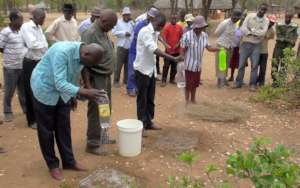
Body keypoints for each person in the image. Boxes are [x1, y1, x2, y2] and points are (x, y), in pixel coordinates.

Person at [31, 42, 106, 181]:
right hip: (45, 89)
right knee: (46, 131)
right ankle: (53, 165)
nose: (90, 66)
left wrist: (75, 93)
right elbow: (59, 82)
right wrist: (83, 91)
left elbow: (81, 68)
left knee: (64, 127)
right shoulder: (62, 53)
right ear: (85, 54)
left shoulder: (84, 54)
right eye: (91, 63)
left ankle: (69, 162)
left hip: (63, 92)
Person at [134, 12, 180, 134]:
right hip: (142, 70)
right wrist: (172, 58)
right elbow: (153, 49)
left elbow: (158, 37)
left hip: (150, 70)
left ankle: (149, 122)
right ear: (157, 24)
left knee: (150, 98)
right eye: (160, 27)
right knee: (142, 99)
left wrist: (165, 44)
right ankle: (141, 125)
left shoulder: (155, 30)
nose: (160, 30)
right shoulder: (145, 32)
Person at [81, 9, 118, 156]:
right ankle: (92, 143)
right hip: (95, 78)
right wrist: (88, 87)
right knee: (97, 109)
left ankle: (103, 136)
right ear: (103, 21)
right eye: (111, 25)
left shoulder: (103, 30)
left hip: (104, 77)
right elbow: (83, 61)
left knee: (105, 108)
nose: (112, 29)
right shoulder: (90, 33)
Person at [181, 16, 219, 104]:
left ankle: (193, 100)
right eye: (198, 27)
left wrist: (219, 49)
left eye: (202, 27)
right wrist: (181, 61)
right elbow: (183, 49)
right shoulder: (187, 36)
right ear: (194, 26)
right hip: (188, 65)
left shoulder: (204, 36)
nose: (200, 29)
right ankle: (187, 101)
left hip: (198, 65)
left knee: (195, 84)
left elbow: (209, 47)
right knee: (188, 85)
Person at [20, 8, 48, 129]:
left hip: (39, 62)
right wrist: (44, 45)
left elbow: (43, 44)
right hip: (29, 63)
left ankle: (40, 117)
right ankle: (31, 120)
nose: (43, 21)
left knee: (40, 88)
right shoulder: (26, 27)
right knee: (30, 90)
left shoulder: (38, 27)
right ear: (35, 17)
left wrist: (44, 47)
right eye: (42, 18)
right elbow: (32, 44)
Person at [234, 3, 269, 91]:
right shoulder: (249, 16)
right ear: (258, 8)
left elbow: (263, 33)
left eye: (264, 10)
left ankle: (252, 84)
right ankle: (238, 82)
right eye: (261, 9)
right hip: (245, 43)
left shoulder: (266, 20)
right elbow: (243, 28)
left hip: (257, 45)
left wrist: (251, 31)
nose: (262, 11)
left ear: (266, 11)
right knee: (241, 64)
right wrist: (254, 33)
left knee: (254, 66)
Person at [0, 9, 26, 123]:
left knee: (23, 90)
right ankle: (7, 111)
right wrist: (10, 55)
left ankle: (26, 109)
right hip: (10, 67)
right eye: (20, 19)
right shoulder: (5, 32)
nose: (22, 20)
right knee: (9, 91)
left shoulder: (22, 31)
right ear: (13, 19)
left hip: (22, 66)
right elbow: (0, 47)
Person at [127, 8, 159, 97]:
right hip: (135, 50)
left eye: (152, 17)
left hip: (144, 52)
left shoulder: (153, 26)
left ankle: (137, 88)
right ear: (148, 15)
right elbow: (138, 38)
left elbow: (156, 36)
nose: (150, 17)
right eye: (149, 16)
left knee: (140, 71)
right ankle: (130, 88)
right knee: (132, 70)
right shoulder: (140, 24)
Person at [214, 9, 242, 88]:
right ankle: (220, 82)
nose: (235, 19)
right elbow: (216, 33)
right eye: (234, 17)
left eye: (237, 18)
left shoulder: (236, 25)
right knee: (221, 64)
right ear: (231, 16)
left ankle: (223, 80)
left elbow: (237, 36)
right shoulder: (225, 23)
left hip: (230, 47)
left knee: (226, 64)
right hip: (222, 46)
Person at [272, 11, 298, 87]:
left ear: (292, 18)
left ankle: (281, 80)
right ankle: (275, 80)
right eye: (286, 17)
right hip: (279, 46)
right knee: (275, 62)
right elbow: (279, 37)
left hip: (288, 47)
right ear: (284, 16)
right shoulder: (279, 24)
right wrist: (289, 40)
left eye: (289, 17)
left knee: (284, 64)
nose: (288, 19)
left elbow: (294, 39)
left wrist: (288, 40)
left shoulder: (295, 26)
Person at [112, 7, 134, 88]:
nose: (128, 16)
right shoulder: (118, 22)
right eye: (126, 15)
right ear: (123, 15)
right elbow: (114, 32)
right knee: (118, 65)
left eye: (129, 15)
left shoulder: (131, 23)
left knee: (128, 65)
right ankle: (116, 81)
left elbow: (134, 32)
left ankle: (126, 80)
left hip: (129, 47)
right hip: (121, 47)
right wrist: (124, 33)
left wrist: (133, 22)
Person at [161, 13, 183, 87]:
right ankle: (163, 80)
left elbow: (182, 37)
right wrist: (166, 45)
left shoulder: (179, 27)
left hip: (177, 51)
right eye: (172, 18)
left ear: (177, 19)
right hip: (168, 51)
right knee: (166, 66)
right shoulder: (166, 27)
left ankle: (172, 79)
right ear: (170, 19)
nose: (174, 20)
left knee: (174, 66)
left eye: (175, 19)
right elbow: (163, 38)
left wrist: (178, 44)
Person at [228, 10, 248, 82]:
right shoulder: (236, 24)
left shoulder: (247, 25)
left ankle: (240, 78)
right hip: (235, 46)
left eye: (245, 17)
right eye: (242, 16)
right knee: (233, 63)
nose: (243, 18)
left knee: (241, 63)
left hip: (242, 47)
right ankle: (232, 76)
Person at [257, 15, 276, 86]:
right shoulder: (260, 26)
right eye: (270, 22)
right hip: (257, 50)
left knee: (263, 68)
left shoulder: (272, 31)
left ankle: (261, 81)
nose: (271, 23)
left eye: (273, 22)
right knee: (255, 67)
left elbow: (271, 37)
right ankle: (254, 80)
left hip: (264, 51)